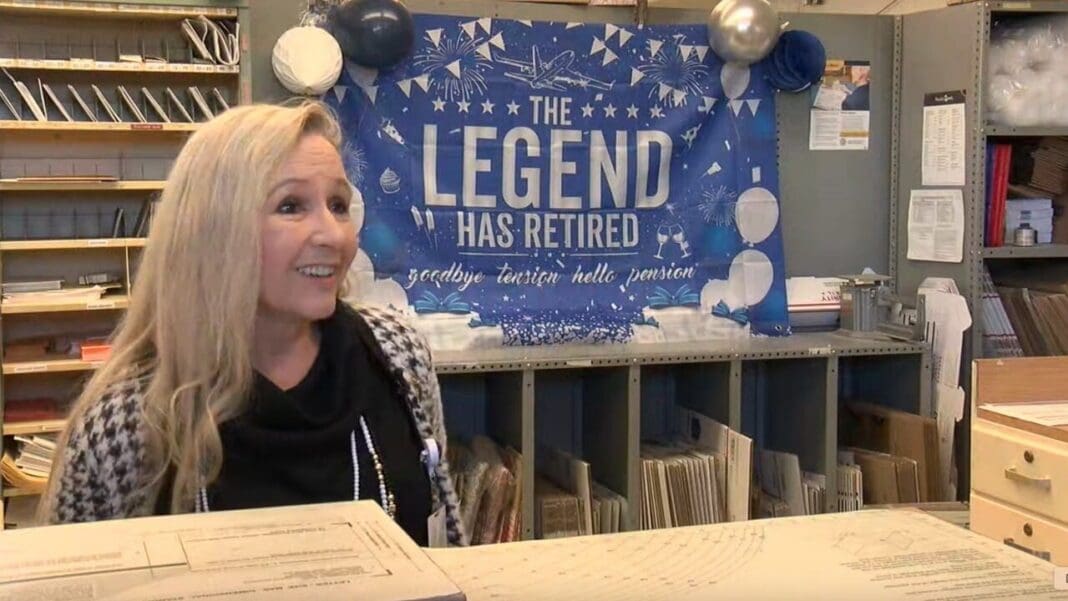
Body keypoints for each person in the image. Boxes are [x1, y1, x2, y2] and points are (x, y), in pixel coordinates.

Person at [39, 101, 467, 547]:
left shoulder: (398, 354)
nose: (334, 235)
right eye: (291, 206)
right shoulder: (126, 422)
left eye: (338, 205)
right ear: (213, 231)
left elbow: (447, 541)